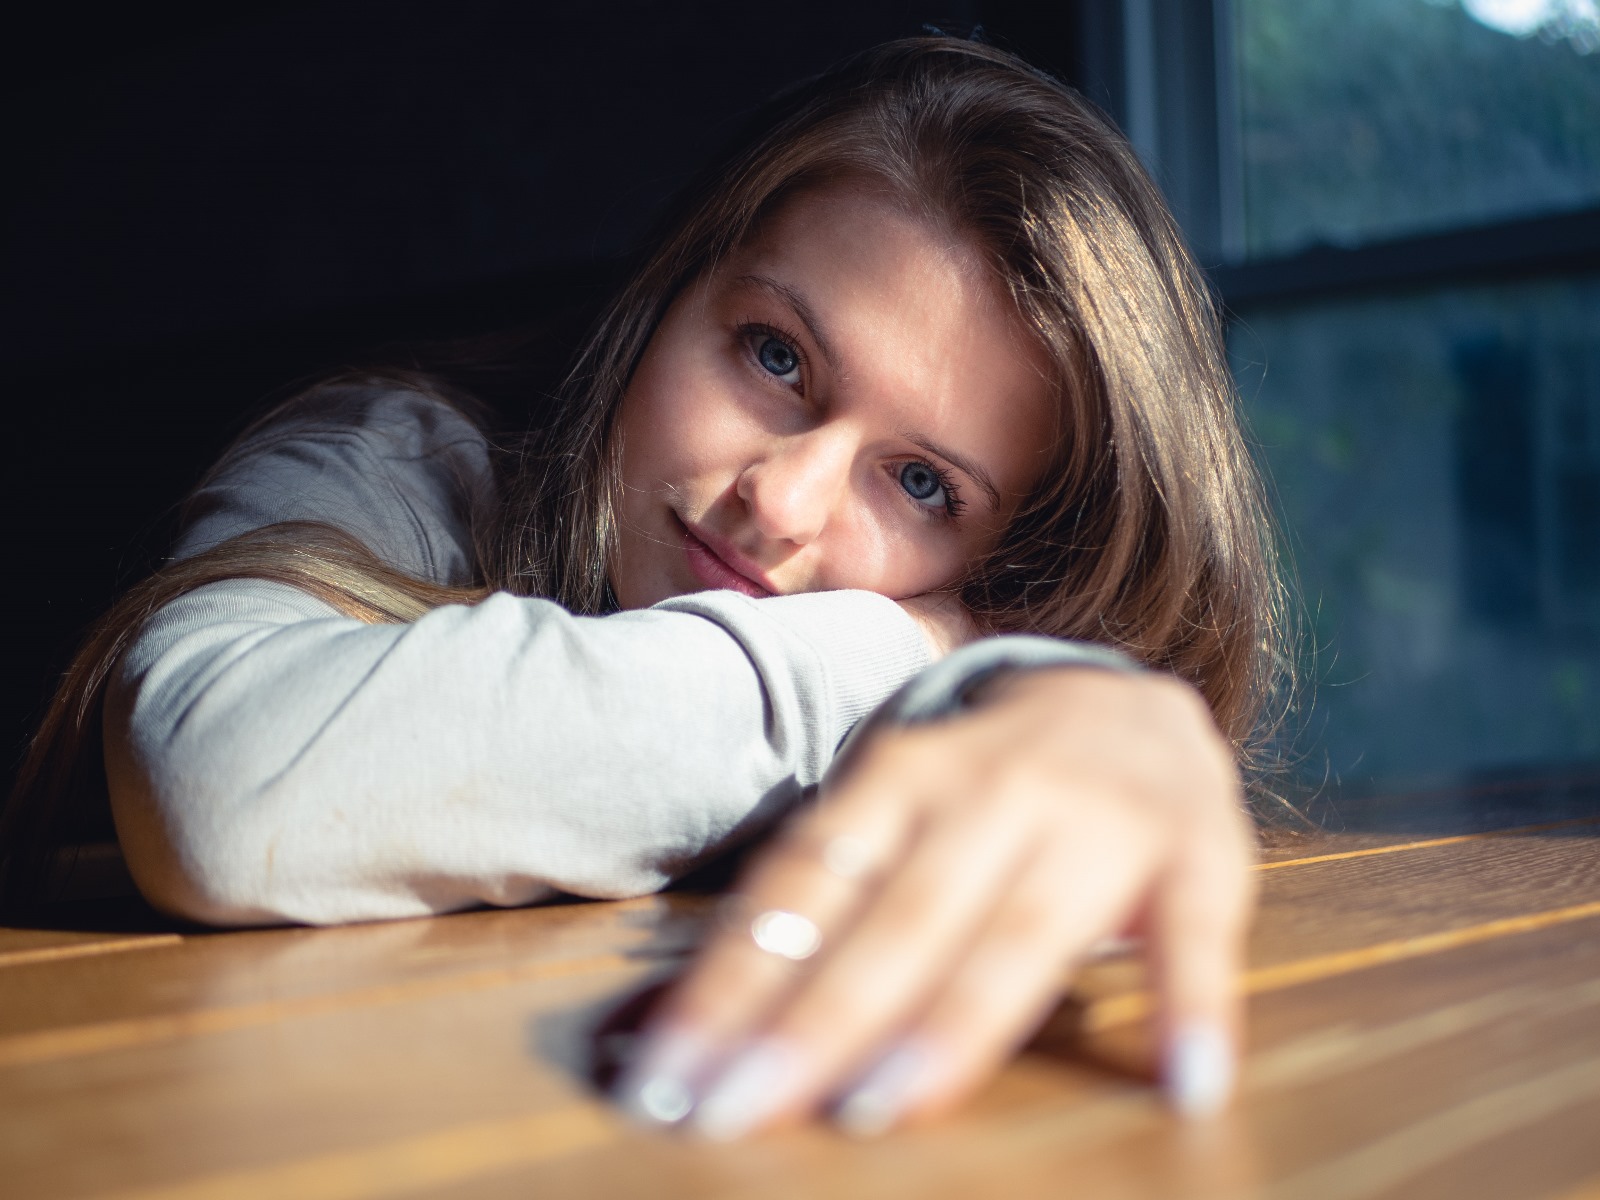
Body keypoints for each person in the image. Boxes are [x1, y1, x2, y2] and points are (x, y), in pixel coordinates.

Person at [1, 37, 1288, 1138]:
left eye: (922, 487)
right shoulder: (387, 456)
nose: (778, 503)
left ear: (1006, 569)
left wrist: (1052, 696)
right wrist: (895, 657)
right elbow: (227, 782)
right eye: (774, 356)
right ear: (665, 297)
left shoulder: (965, 624)